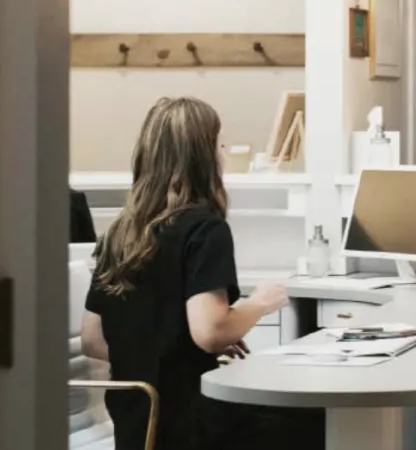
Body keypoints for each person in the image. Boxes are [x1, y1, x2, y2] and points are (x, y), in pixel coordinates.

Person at [81, 97, 323, 450]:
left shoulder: (120, 232)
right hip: (191, 425)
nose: (223, 153)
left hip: (137, 426)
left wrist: (168, 354)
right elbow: (210, 332)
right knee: (322, 422)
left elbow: (93, 339)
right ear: (203, 157)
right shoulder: (205, 230)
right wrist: (260, 303)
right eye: (219, 144)